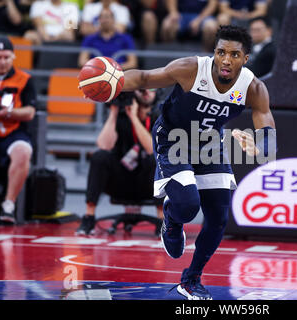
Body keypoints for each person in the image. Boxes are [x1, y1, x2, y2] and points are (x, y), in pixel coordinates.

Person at [99, 25, 277, 299]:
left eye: (234, 54)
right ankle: (171, 219)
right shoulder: (190, 69)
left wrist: (257, 145)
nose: (226, 60)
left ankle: (191, 279)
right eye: (220, 52)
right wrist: (113, 81)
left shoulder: (253, 88)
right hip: (174, 138)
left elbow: (267, 135)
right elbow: (145, 77)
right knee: (187, 206)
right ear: (214, 53)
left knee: (218, 218)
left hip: (209, 144)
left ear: (245, 58)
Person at [76, 88, 164, 236]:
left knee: (158, 161)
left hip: (147, 184)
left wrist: (135, 119)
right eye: (142, 89)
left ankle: (163, 221)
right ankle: (89, 217)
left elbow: (152, 149)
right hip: (121, 181)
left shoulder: (159, 117)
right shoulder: (121, 117)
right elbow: (104, 144)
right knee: (99, 157)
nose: (147, 92)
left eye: (152, 89)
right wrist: (114, 112)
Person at [0, 36, 36, 224]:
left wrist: (9, 112)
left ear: (13, 56)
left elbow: (30, 111)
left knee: (23, 151)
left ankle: (9, 205)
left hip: (13, 132)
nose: (2, 62)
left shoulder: (25, 79)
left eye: (6, 57)